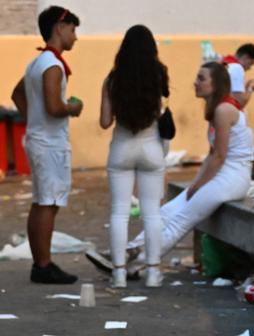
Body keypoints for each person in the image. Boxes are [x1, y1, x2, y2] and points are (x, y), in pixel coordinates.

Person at [123, 62, 253, 263]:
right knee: (167, 212)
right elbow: (211, 156)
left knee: (181, 219)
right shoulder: (217, 109)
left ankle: (139, 262)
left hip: (235, 176)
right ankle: (129, 250)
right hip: (223, 174)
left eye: (202, 79)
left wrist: (200, 185)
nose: (195, 83)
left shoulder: (224, 110)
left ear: (216, 84)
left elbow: (219, 156)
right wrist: (195, 184)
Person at [10, 5, 81, 285]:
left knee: (42, 201)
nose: (75, 37)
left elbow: (17, 94)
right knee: (48, 202)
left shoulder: (36, 63)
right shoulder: (51, 65)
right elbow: (54, 107)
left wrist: (32, 119)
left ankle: (41, 262)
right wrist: (71, 108)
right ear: (59, 28)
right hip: (49, 143)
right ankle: (43, 264)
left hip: (40, 138)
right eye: (73, 30)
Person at [99, 25, 169, 289]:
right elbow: (160, 112)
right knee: (152, 214)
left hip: (121, 146)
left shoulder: (113, 80)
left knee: (119, 213)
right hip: (151, 146)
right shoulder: (159, 76)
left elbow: (106, 122)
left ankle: (118, 274)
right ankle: (153, 272)